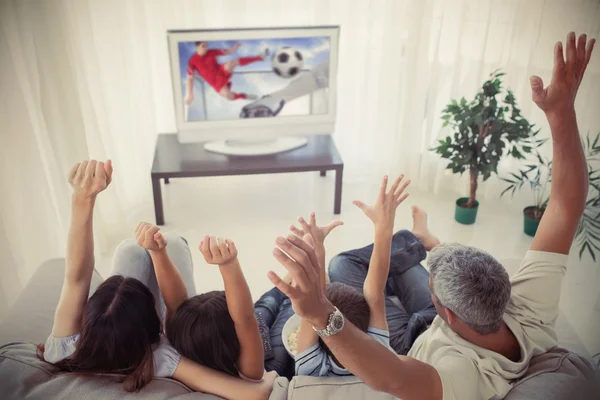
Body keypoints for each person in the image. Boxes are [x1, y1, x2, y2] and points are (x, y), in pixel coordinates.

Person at [267, 32, 596, 400]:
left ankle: (417, 242)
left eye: (433, 285)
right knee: (369, 273)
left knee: (344, 266)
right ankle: (423, 241)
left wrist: (319, 312)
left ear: (447, 314)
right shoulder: (529, 304)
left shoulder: (458, 372)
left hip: (412, 342)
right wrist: (562, 113)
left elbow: (392, 378)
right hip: (441, 318)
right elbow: (567, 206)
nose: (431, 280)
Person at [39, 159, 276, 399]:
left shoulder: (63, 347)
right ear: (156, 329)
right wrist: (272, 379)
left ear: (88, 319)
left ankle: (154, 248)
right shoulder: (158, 357)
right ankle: (163, 246)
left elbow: (76, 277)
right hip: (177, 340)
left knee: (130, 251)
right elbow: (180, 307)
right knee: (169, 242)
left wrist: (82, 198)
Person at [292, 175, 415, 377]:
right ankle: (417, 238)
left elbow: (316, 304)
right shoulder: (379, 353)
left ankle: (417, 238)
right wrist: (383, 227)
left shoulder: (310, 369)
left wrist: (318, 251)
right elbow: (374, 294)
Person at [185, 41, 268, 104]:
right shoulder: (192, 61)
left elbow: (228, 52)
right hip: (217, 84)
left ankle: (260, 58)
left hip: (221, 71)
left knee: (231, 63)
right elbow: (190, 78)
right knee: (228, 96)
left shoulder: (211, 52)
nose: (206, 48)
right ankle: (243, 96)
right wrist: (190, 95)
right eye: (203, 46)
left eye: (207, 45)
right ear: (197, 47)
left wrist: (235, 46)